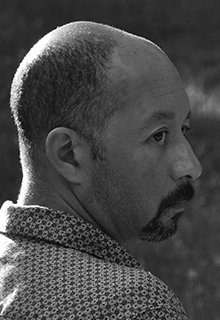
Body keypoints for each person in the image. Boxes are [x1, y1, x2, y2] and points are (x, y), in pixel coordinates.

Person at [0, 21, 202, 319]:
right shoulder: (131, 305)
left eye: (184, 129)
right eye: (158, 135)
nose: (191, 166)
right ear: (68, 155)